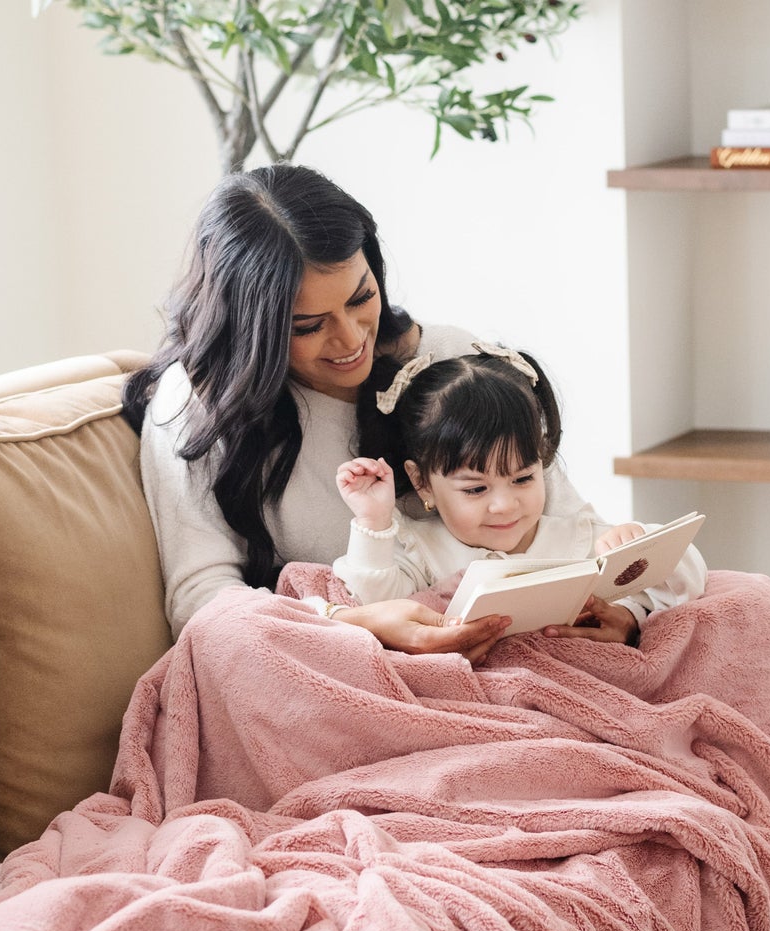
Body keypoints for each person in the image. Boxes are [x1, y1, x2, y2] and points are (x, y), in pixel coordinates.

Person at [124, 163, 600, 660]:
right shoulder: (196, 404)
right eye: (308, 325)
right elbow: (202, 605)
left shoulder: (454, 362)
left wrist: (625, 615)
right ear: (251, 327)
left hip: (523, 650)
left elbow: (574, 525)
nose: (352, 340)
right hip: (340, 658)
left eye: (362, 298)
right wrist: (355, 625)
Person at [331, 344, 706, 644]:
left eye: (523, 479)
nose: (504, 505)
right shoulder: (420, 550)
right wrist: (373, 521)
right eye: (476, 489)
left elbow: (682, 590)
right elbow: (373, 607)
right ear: (422, 482)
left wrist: (641, 545)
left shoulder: (579, 537)